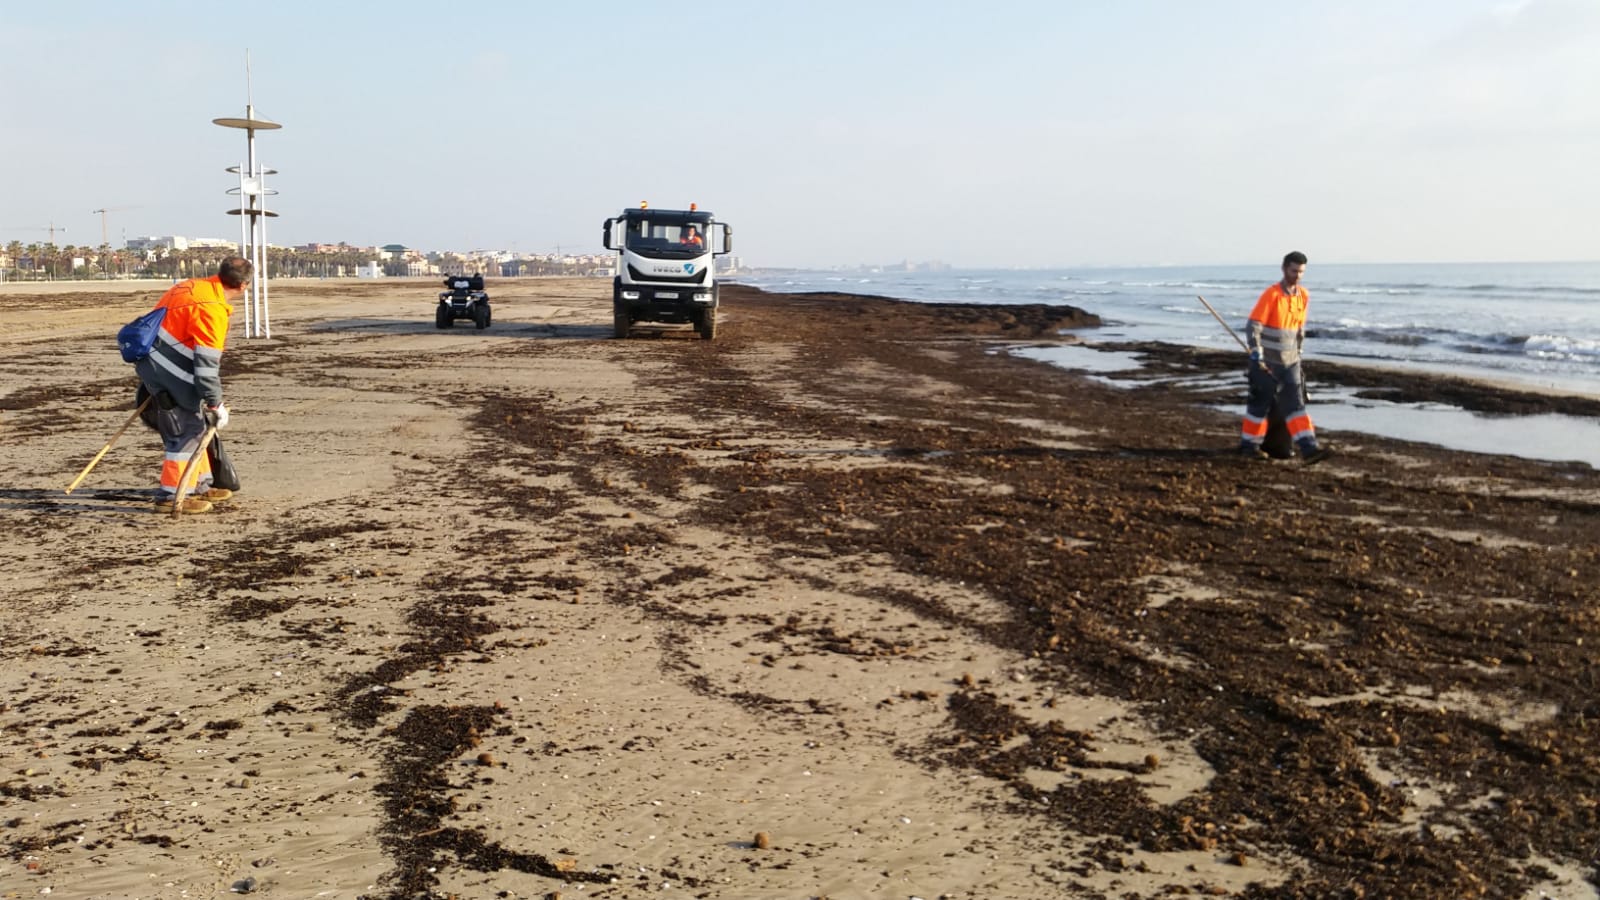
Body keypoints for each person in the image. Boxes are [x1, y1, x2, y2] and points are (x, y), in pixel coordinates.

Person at [135, 257, 251, 513]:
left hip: (151, 362)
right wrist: (215, 404)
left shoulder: (188, 287)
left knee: (197, 427)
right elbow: (206, 369)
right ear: (244, 286)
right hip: (169, 373)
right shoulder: (212, 311)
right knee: (183, 432)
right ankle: (172, 495)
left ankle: (200, 485)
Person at [1238, 251, 1331, 464]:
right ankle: (1248, 446)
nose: (1297, 275)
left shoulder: (1303, 296)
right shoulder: (1271, 295)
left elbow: (1299, 329)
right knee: (1258, 405)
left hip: (1290, 362)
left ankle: (1309, 448)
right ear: (1284, 269)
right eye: (1294, 271)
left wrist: (1298, 353)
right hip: (1265, 363)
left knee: (1296, 406)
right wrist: (1255, 352)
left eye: (1301, 272)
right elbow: (1253, 325)